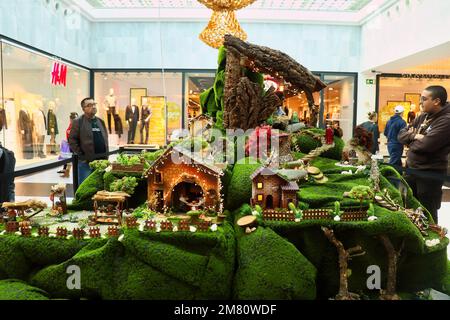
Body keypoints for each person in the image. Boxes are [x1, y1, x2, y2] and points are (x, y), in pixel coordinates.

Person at [398, 85, 450, 224]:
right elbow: (401, 135)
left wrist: (412, 141)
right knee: (409, 209)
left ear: (436, 101)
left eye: (424, 99)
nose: (420, 102)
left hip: (429, 174)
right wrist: (416, 136)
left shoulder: (446, 120)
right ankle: (414, 242)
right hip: (411, 170)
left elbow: (427, 145)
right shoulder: (423, 116)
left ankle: (432, 244)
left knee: (427, 213)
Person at [69, 98, 109, 185]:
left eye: (94, 104)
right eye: (90, 105)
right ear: (83, 109)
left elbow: (105, 138)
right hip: (86, 163)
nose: (93, 106)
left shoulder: (100, 121)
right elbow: (72, 140)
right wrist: (82, 155)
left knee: (100, 187)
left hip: (102, 162)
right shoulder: (78, 122)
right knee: (85, 188)